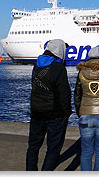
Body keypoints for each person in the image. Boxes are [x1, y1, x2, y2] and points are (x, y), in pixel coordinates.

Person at [26, 39, 72, 171]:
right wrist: (67, 112)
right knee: (53, 148)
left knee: (33, 146)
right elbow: (64, 92)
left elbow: (35, 88)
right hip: (55, 114)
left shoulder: (37, 65)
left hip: (37, 112)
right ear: (59, 50)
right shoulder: (58, 68)